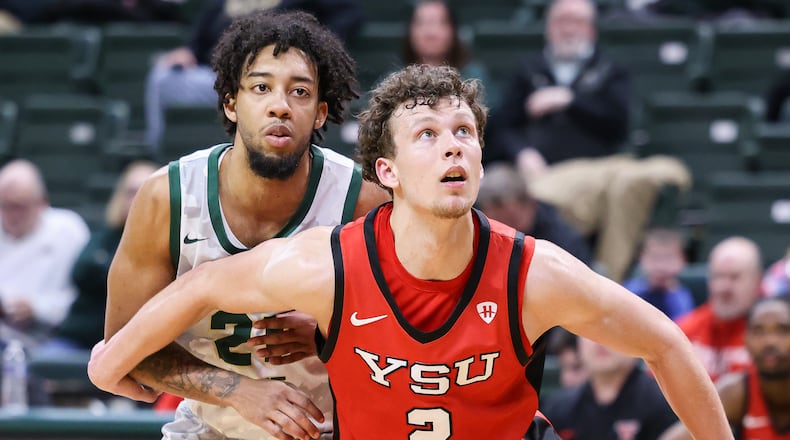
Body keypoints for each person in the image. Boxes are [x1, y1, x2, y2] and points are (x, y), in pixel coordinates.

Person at [89, 64, 731, 440]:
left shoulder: (534, 273)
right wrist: (111, 360)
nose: (454, 146)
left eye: (464, 132)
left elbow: (667, 344)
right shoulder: (328, 266)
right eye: (428, 134)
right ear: (387, 172)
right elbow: (201, 287)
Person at [103, 10, 389, 440]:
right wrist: (237, 391)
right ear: (231, 104)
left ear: (319, 113)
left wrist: (331, 336)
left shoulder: (361, 200)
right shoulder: (168, 197)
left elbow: (406, 341)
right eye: (261, 87)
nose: (280, 104)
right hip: (209, 429)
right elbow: (126, 348)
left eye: (299, 91)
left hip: (333, 431)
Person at [484, 0, 690, 282]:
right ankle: (603, 283)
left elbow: (619, 124)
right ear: (548, 28)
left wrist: (571, 100)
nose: (569, 29)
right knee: (547, 197)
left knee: (632, 182)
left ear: (592, 30)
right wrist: (522, 153)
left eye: (577, 21)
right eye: (561, 21)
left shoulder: (610, 70)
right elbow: (502, 128)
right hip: (546, 177)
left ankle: (606, 279)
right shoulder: (529, 70)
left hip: (601, 169)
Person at [144, 0, 365, 152]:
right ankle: (157, 153)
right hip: (221, 75)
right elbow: (205, 28)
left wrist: (312, 49)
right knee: (163, 77)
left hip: (282, 73)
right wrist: (190, 51)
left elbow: (350, 15)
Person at [39, 161, 157, 354]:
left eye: (144, 192)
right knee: (44, 361)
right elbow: (80, 273)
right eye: (130, 192)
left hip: (130, 343)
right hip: (77, 337)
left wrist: (105, 269)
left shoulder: (167, 242)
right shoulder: (106, 235)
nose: (136, 199)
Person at [661, 295, 790, 440]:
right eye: (758, 331)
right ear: (745, 339)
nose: (770, 342)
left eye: (783, 330)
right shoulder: (736, 390)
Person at [0, 159, 89, 348]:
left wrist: (38, 308)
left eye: (20, 206)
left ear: (41, 202)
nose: (11, 214)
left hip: (50, 336)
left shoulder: (68, 230)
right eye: (5, 205)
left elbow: (83, 299)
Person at [542, 336, 678, 440]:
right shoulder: (558, 408)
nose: (600, 339)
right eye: (589, 329)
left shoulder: (666, 404)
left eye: (611, 329)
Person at [678, 236, 764, 382]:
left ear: (757, 280)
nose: (723, 287)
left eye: (734, 277)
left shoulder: (777, 335)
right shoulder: (685, 330)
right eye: (717, 276)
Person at [477, 163, 592, 265]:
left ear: (529, 203)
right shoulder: (478, 234)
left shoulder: (564, 243)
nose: (497, 225)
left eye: (507, 219)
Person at [401, 0, 493, 104]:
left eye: (440, 23)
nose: (430, 32)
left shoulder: (474, 78)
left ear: (453, 30)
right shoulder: (396, 81)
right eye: (421, 23)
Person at [623, 228, 695, 321]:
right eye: (655, 257)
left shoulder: (682, 300)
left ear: (682, 260)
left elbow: (683, 330)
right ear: (642, 258)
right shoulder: (628, 291)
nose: (661, 265)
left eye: (668, 258)